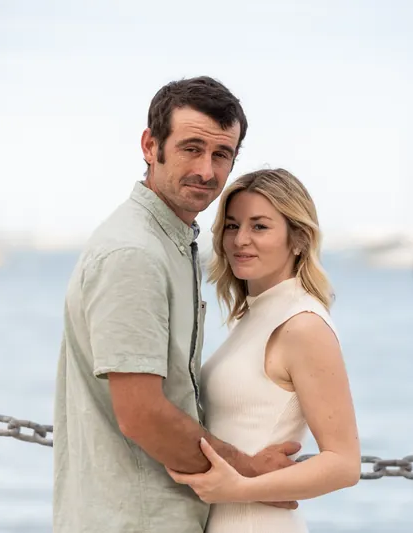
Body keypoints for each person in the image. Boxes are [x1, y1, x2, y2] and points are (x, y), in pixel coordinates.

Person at [53, 77, 303, 533]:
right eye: (191, 148)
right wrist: (251, 472)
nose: (206, 171)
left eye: (221, 154)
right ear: (151, 146)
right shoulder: (135, 255)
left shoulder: (169, 242)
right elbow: (143, 414)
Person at [167, 168, 361, 532]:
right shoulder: (255, 315)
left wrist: (242, 488)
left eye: (259, 226)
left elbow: (344, 464)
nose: (241, 239)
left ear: (299, 238)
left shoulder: (303, 324)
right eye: (231, 225)